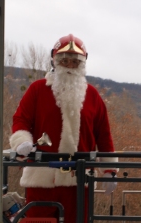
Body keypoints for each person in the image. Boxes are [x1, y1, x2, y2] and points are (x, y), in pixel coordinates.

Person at [9, 34, 118, 222]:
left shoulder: (92, 96)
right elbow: (20, 119)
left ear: (82, 64)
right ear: (55, 61)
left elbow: (103, 135)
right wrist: (22, 142)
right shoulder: (37, 89)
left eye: (74, 62)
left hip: (79, 181)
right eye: (64, 61)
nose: (69, 66)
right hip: (41, 180)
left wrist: (109, 170)